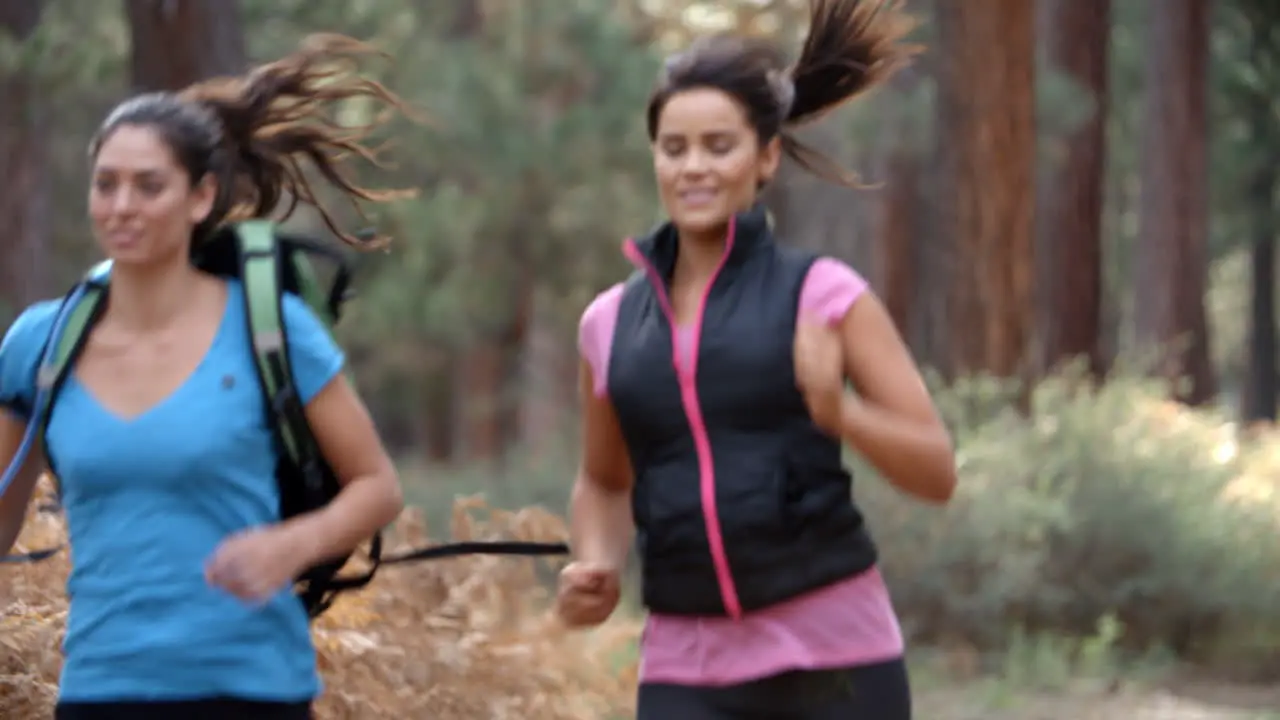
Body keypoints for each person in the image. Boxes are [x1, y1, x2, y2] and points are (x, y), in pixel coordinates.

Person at [554, 1, 956, 717]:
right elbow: (604, 480)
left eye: (719, 145)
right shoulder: (608, 324)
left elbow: (935, 470)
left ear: (766, 157)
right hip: (687, 663)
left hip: (837, 661)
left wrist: (843, 414)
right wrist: (598, 562)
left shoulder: (824, 296)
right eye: (673, 148)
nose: (693, 167)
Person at [0, 34, 409, 720]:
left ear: (201, 198)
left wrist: (291, 545)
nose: (122, 205)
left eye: (148, 185)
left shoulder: (268, 330)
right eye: (107, 184)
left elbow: (378, 487)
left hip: (254, 692)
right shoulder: (43, 343)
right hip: (102, 693)